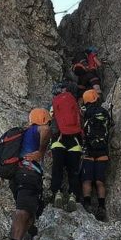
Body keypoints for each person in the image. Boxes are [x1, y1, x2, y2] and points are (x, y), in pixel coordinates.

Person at [0, 108, 51, 240]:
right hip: (28, 173)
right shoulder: (39, 128)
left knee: (30, 212)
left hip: (18, 176)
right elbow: (46, 129)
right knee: (23, 210)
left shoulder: (26, 131)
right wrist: (41, 152)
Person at [49, 83, 83, 211]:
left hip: (59, 139)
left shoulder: (54, 103)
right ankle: (73, 195)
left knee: (57, 168)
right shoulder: (74, 102)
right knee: (73, 171)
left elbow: (50, 120)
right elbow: (81, 120)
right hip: (75, 140)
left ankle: (57, 193)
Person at [81, 90, 113, 221]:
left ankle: (87, 205)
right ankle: (101, 206)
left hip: (88, 150)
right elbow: (110, 126)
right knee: (100, 182)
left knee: (87, 180)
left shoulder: (85, 112)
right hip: (103, 151)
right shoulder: (104, 112)